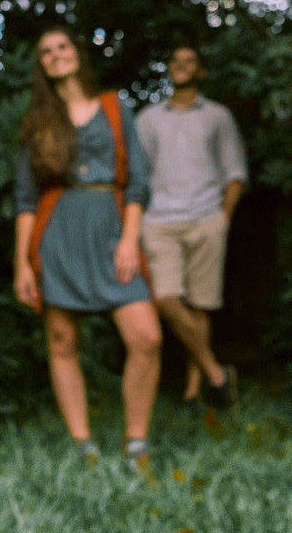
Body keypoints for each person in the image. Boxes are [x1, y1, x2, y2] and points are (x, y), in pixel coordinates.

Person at [13, 26, 162, 474]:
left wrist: (130, 238)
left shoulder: (116, 107)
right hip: (57, 230)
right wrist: (22, 262)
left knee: (147, 337)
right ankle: (84, 445)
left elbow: (138, 179)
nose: (56, 55)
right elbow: (25, 199)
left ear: (77, 53)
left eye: (62, 46)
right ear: (41, 65)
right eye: (46, 51)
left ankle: (136, 442)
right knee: (62, 341)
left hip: (113, 228)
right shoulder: (39, 121)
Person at [134, 44, 247, 411]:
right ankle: (217, 373)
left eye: (189, 62)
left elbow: (235, 174)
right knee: (166, 299)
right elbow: (136, 175)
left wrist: (222, 220)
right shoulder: (149, 119)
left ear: (200, 72)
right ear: (168, 69)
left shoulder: (218, 117)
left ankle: (193, 393)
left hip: (206, 219)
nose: (180, 66)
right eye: (175, 60)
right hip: (159, 221)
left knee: (200, 305)